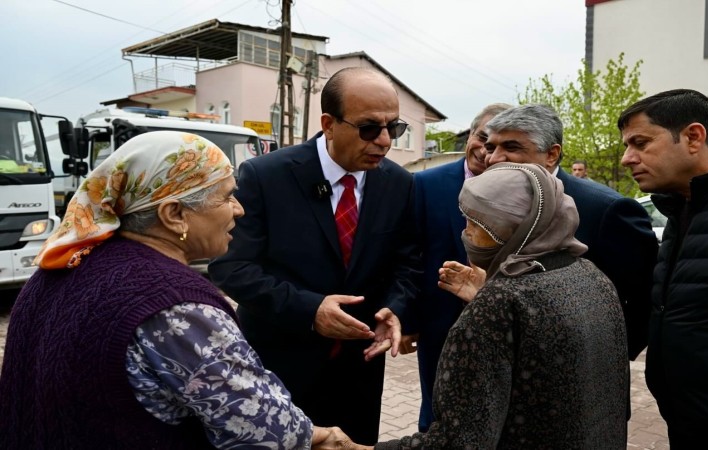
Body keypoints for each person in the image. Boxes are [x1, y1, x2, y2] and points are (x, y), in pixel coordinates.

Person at [0, 131, 356, 449]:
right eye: (227, 197)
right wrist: (324, 438)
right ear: (174, 215)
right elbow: (274, 434)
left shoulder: (56, 269)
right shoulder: (176, 306)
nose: (239, 210)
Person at [208, 67, 421, 445]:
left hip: (359, 369)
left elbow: (407, 262)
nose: (385, 141)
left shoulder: (399, 183)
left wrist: (395, 307)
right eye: (370, 128)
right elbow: (231, 268)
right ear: (328, 123)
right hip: (278, 367)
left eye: (395, 128)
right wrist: (310, 311)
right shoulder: (264, 175)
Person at [373, 162, 629, 449]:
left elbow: (459, 441)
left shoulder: (497, 306)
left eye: (477, 224)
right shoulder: (591, 276)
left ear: (512, 230)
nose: (466, 233)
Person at [441, 104, 658, 362]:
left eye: (511, 147)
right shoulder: (491, 200)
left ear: (552, 154)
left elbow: (644, 300)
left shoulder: (607, 209)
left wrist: (601, 359)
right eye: (490, 147)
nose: (494, 158)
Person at [618, 89, 708, 448]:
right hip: (689, 420)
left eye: (640, 143)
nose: (626, 159)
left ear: (694, 137)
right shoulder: (682, 206)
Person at [409, 102, 511, 432]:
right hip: (439, 325)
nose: (486, 150)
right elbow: (409, 254)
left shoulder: (519, 191)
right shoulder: (424, 184)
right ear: (469, 135)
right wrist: (409, 317)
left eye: (499, 144)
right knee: (437, 419)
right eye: (482, 137)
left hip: (502, 328)